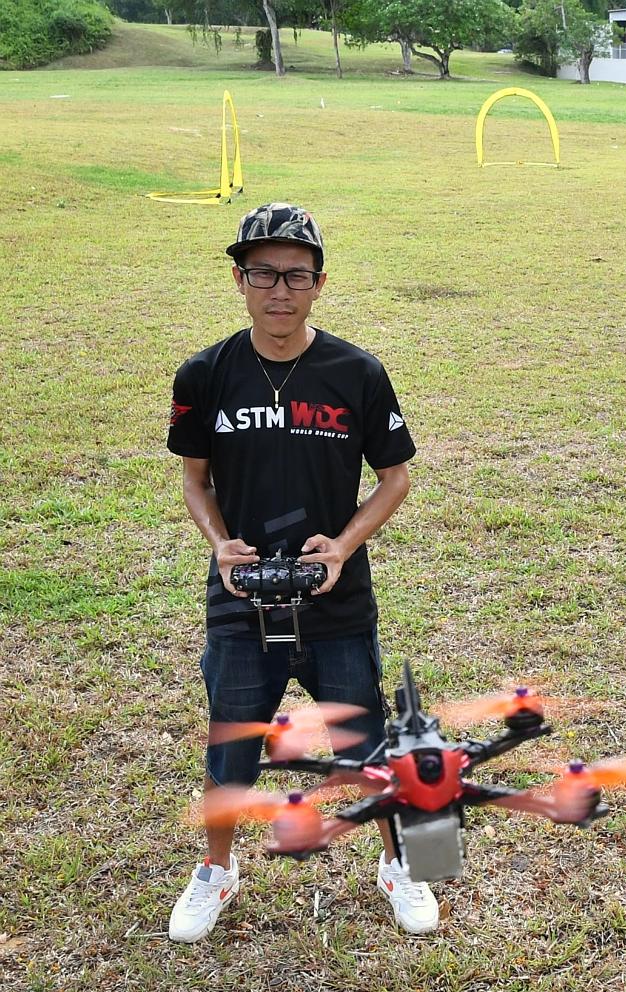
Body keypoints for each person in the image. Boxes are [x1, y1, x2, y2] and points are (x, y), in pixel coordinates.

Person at [165, 202, 434, 942]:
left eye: (295, 276)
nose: (277, 291)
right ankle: (217, 871)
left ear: (319, 283)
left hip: (335, 600)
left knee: (365, 744)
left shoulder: (356, 372)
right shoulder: (206, 374)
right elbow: (195, 478)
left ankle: (397, 864)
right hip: (241, 604)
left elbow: (394, 478)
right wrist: (219, 543)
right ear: (238, 279)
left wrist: (344, 544)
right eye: (262, 274)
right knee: (231, 744)